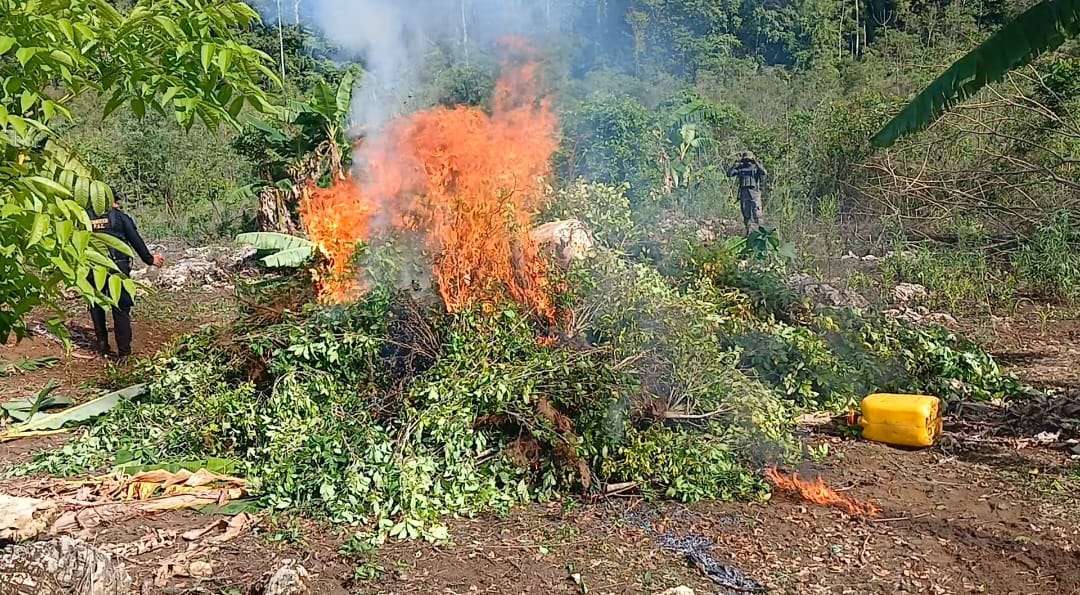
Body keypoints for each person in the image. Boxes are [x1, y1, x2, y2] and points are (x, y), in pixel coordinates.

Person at [86, 196, 165, 358]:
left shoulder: (84, 217)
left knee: (96, 304)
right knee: (121, 308)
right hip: (117, 268)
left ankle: (102, 344)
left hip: (92, 267)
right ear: (112, 201)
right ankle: (124, 353)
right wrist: (150, 260)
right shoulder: (120, 218)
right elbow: (135, 240)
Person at [727, 151, 768, 236]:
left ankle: (762, 233)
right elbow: (729, 174)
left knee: (757, 213)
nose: (748, 162)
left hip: (754, 193)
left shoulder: (755, 168)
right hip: (744, 193)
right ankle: (748, 232)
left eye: (749, 160)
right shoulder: (741, 168)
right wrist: (735, 164)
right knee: (746, 214)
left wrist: (756, 163)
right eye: (746, 160)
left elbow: (764, 172)